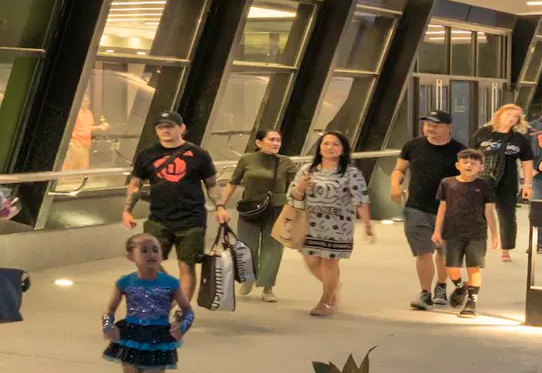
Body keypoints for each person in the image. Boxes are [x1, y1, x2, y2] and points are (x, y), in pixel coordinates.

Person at [103, 231, 194, 373]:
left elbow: (188, 311)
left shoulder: (170, 283)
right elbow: (110, 310)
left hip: (158, 339)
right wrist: (108, 326)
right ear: (131, 256)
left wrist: (181, 327)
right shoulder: (124, 282)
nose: (151, 254)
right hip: (131, 337)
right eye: (143, 250)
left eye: (155, 249)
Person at [285, 126, 373, 317]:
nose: (329, 147)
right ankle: (332, 286)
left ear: (343, 149)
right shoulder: (307, 170)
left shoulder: (351, 173)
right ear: (319, 147)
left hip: (339, 225)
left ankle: (326, 301)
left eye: (335, 144)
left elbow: (361, 200)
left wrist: (367, 224)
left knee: (329, 263)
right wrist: (300, 187)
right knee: (310, 261)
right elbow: (292, 195)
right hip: (310, 224)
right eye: (326, 143)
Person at [125, 112, 218, 284]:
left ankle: (183, 310)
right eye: (161, 127)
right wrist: (127, 211)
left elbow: (211, 184)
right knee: (147, 261)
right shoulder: (146, 155)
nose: (165, 130)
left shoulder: (199, 154)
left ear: (182, 128)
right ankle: (173, 287)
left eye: (170, 126)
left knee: (187, 265)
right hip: (159, 219)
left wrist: (220, 207)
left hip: (192, 219)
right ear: (156, 130)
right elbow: (135, 185)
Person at [393, 105, 464, 309]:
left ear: (448, 127)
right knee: (423, 252)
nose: (430, 128)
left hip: (447, 209)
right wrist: (394, 186)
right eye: (427, 125)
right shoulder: (412, 146)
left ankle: (441, 286)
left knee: (442, 252)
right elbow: (399, 169)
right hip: (416, 207)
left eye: (436, 125)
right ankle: (425, 293)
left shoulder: (459, 151)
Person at [229, 126, 291, 301]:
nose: (276, 143)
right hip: (249, 209)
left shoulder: (286, 162)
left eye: (278, 140)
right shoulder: (247, 159)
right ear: (258, 142)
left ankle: (267, 287)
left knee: (273, 249)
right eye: (272, 139)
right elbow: (232, 182)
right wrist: (220, 205)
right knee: (246, 246)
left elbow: (298, 184)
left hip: (277, 209)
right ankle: (248, 278)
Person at [433, 148, 496, 314]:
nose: (469, 165)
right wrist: (437, 231)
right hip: (452, 231)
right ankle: (460, 287)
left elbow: (489, 211)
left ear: (481, 167)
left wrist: (495, 234)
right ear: (457, 165)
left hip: (477, 233)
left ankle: (471, 303)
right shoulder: (447, 183)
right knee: (451, 266)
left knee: (473, 267)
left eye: (474, 163)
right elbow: (442, 208)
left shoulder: (484, 185)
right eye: (465, 162)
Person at [473, 102, 532, 257]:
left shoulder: (519, 138)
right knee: (478, 211)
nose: (511, 119)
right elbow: (469, 154)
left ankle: (505, 248)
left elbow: (527, 161)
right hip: (483, 177)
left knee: (507, 213)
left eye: (515, 117)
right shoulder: (484, 132)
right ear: (499, 115)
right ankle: (478, 243)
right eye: (508, 115)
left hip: (508, 179)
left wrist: (527, 184)